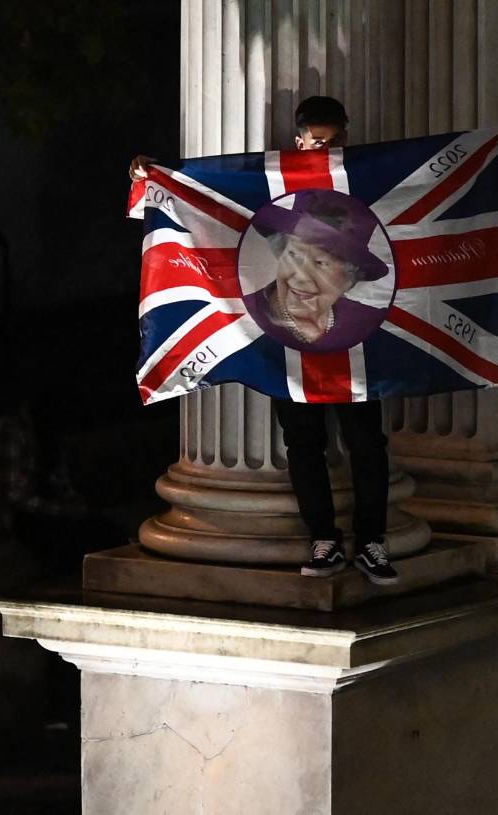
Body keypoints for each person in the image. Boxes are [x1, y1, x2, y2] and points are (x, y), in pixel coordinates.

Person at [130, 95, 401, 585]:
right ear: (299, 141)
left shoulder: (362, 180)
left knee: (366, 444)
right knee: (303, 443)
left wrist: (479, 153)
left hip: (355, 344)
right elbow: (211, 201)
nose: (327, 149)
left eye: (336, 140)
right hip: (284, 343)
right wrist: (156, 178)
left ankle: (372, 543)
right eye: (318, 141)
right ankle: (325, 540)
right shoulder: (273, 188)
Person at [0, 383, 117, 574]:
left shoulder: (47, 432)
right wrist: (63, 510)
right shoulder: (11, 431)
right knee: (66, 543)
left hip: (41, 512)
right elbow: (16, 497)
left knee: (108, 531)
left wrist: (78, 508)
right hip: (12, 519)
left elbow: (60, 483)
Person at [242, 188, 390, 351]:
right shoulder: (241, 317)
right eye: (293, 254)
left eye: (321, 263)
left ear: (349, 278)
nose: (300, 276)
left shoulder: (370, 323)